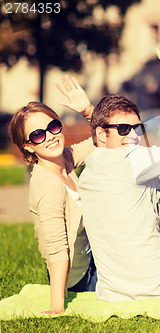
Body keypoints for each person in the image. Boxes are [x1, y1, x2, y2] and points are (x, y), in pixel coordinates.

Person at [78, 43, 160, 302]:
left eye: (137, 128)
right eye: (124, 129)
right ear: (100, 133)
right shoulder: (134, 160)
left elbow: (105, 139)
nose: (133, 136)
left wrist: (91, 112)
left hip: (112, 294)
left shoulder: (88, 172)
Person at [9, 76, 96, 314]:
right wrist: (58, 305)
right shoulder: (48, 184)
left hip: (93, 261)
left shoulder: (64, 159)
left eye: (53, 126)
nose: (50, 136)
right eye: (37, 135)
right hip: (79, 279)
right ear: (28, 146)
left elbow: (107, 137)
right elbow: (57, 249)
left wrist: (88, 110)